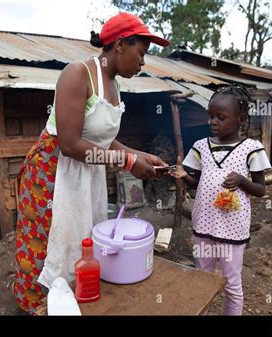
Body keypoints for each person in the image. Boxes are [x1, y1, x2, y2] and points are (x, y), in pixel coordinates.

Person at [14, 12, 170, 315]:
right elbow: (70, 144)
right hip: (53, 173)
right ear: (121, 44)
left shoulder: (113, 85)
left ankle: (70, 300)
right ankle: (35, 308)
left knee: (81, 236)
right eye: (141, 53)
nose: (142, 63)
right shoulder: (77, 74)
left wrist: (138, 154)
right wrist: (127, 161)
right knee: (47, 242)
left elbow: (101, 139)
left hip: (85, 172)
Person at [170, 85, 272, 315]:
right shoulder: (200, 147)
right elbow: (200, 183)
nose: (212, 121)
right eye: (210, 115)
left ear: (240, 119)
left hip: (232, 230)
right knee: (202, 277)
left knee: (231, 283)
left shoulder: (251, 149)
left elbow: (260, 190)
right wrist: (185, 176)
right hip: (203, 226)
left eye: (220, 117)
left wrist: (241, 181)